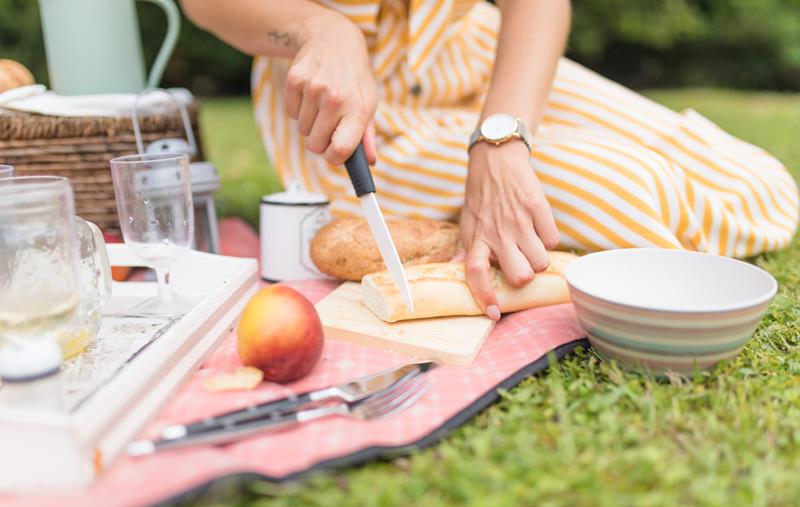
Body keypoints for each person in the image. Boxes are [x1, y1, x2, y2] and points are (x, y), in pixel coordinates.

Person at [181, 0, 798, 320]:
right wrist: (318, 26)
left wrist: (500, 137)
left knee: (757, 183)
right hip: (346, 97)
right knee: (635, 191)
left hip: (476, 54)